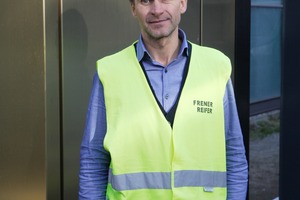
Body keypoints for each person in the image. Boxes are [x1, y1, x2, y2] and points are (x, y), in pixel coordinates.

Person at [79, 0, 248, 199]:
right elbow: (93, 161)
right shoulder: (110, 73)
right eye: (145, 1)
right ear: (133, 9)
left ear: (183, 4)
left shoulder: (215, 67)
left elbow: (234, 156)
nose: (157, 10)